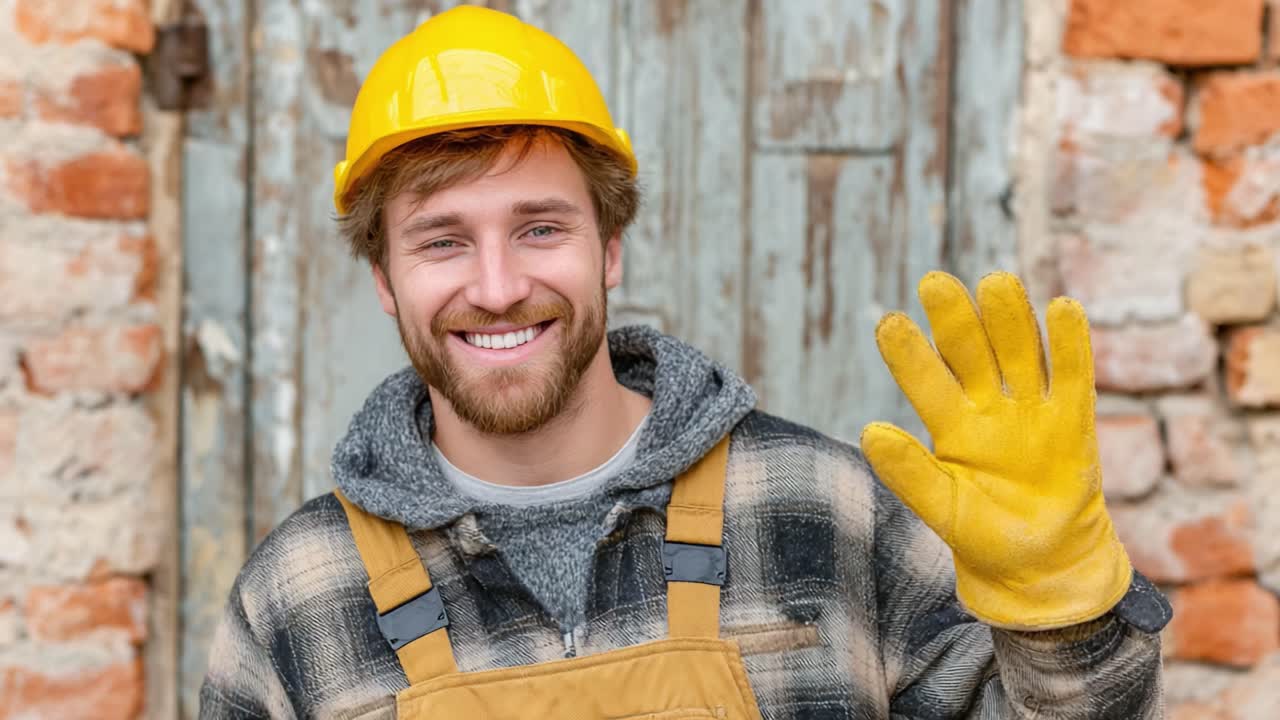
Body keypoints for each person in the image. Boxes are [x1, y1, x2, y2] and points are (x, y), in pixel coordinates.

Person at [199, 6, 1170, 719]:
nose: (495, 286)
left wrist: (1061, 616)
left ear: (609, 248)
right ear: (383, 276)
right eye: (441, 241)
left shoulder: (819, 509)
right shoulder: (300, 593)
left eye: (539, 227)